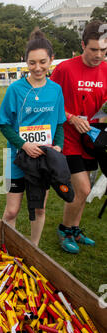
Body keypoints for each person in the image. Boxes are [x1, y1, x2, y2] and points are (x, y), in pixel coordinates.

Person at [0, 29, 66, 246]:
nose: (38, 67)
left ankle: (34, 249)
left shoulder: (55, 90)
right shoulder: (16, 90)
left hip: (44, 159)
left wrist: (58, 146)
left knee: (39, 208)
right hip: (18, 158)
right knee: (12, 210)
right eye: (32, 62)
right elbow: (4, 124)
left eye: (43, 62)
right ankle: (8, 248)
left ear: (51, 60)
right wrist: (24, 144)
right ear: (25, 62)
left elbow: (60, 123)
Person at [50, 20, 107, 253]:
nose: (99, 55)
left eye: (104, 50)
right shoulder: (65, 69)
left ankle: (75, 229)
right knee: (82, 189)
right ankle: (64, 230)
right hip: (68, 137)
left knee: (87, 187)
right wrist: (72, 117)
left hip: (92, 139)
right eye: (94, 49)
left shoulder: (106, 69)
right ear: (83, 45)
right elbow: (50, 101)